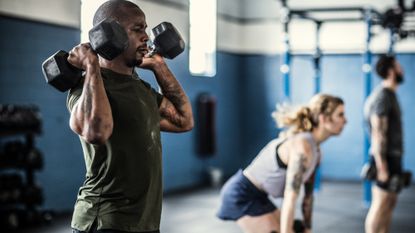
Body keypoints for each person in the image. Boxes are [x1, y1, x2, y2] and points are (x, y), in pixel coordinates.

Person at [66, 1, 193, 232]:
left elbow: (184, 121)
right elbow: (96, 132)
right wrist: (91, 65)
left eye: (146, 29)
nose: (146, 37)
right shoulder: (84, 88)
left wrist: (159, 67)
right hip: (104, 222)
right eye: (138, 29)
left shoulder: (142, 90)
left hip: (145, 223)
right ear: (110, 35)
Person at [216, 94, 347, 233]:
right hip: (241, 194)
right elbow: (290, 199)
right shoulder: (303, 148)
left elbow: (308, 197)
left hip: (260, 197)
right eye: (340, 115)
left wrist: (308, 228)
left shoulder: (316, 152)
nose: (345, 120)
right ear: (323, 118)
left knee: (299, 230)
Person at [364, 55, 404, 233]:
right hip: (383, 157)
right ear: (391, 71)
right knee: (380, 203)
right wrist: (382, 166)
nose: (401, 70)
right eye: (398, 67)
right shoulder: (382, 97)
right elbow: (378, 134)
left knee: (390, 201)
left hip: (392, 156)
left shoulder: (390, 95)